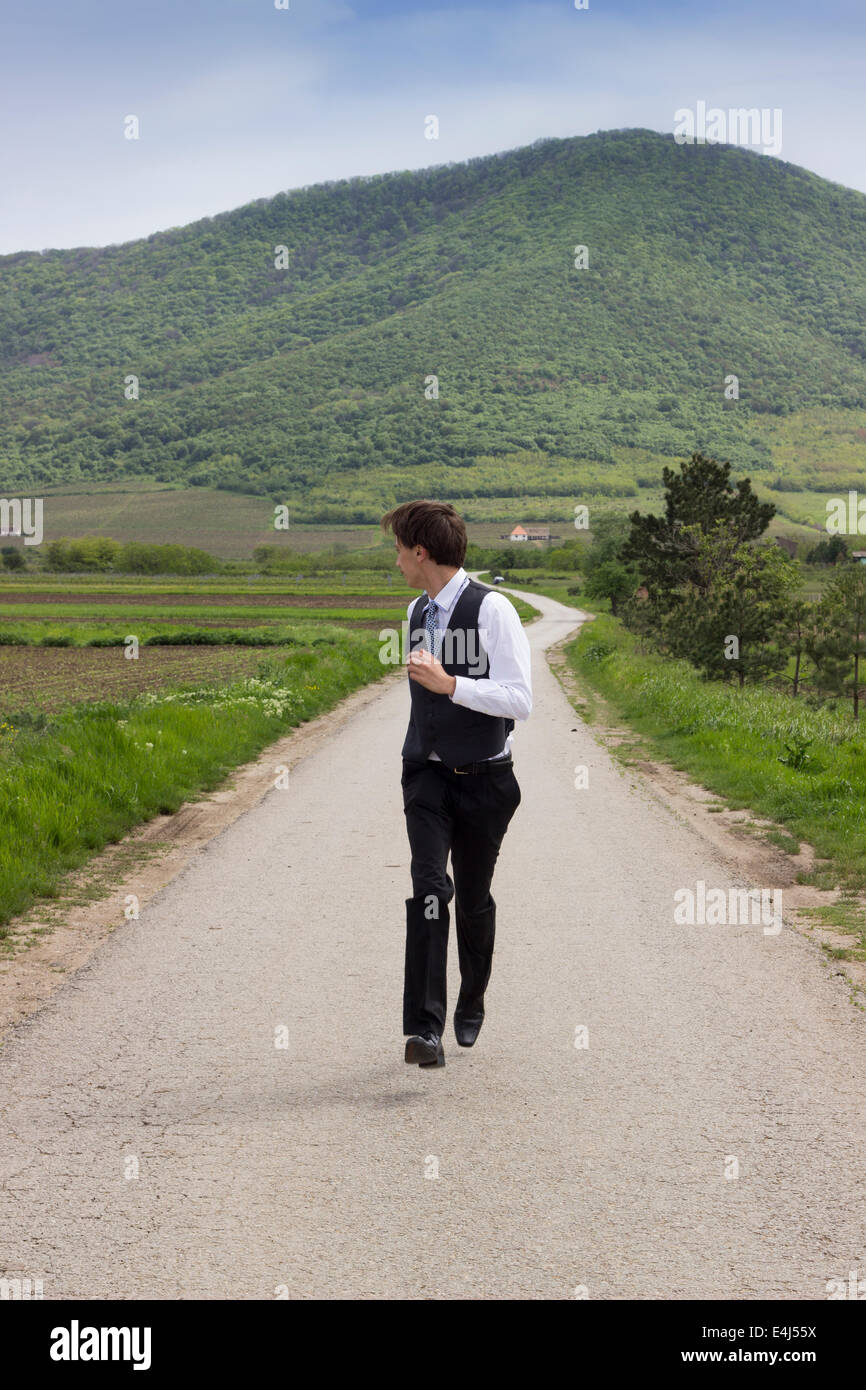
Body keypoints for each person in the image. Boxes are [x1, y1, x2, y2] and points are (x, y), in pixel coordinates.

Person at [380, 500, 532, 1069]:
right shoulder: (417, 611)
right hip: (426, 777)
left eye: (398, 549)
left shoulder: (494, 610)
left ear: (420, 552)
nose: (395, 561)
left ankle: (472, 998)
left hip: (487, 781)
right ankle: (425, 1030)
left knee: (471, 899)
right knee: (427, 892)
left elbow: (520, 699)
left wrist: (451, 686)